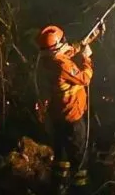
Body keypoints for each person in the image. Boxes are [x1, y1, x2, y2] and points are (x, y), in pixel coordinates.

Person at [37, 24, 102, 193]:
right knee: (79, 153)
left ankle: (59, 186)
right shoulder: (62, 65)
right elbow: (84, 79)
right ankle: (81, 187)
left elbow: (69, 50)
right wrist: (88, 58)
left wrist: (90, 37)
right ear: (58, 44)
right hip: (72, 115)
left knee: (62, 153)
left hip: (57, 114)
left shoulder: (46, 59)